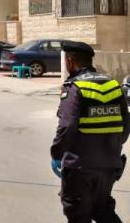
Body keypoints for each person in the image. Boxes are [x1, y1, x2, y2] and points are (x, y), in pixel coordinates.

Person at [50, 41, 129, 223]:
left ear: (70, 61)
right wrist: (111, 150)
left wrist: (56, 154)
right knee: (103, 210)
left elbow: (67, 126)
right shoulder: (113, 85)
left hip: (79, 168)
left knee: (78, 214)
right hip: (109, 166)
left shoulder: (75, 87)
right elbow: (125, 127)